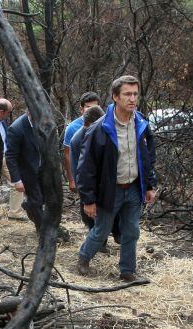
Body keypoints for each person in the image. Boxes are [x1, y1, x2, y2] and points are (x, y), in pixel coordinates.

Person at [77, 75, 157, 282]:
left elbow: (146, 158)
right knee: (102, 230)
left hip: (133, 188)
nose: (132, 99)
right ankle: (84, 257)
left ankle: (127, 271)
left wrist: (149, 185)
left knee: (131, 231)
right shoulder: (100, 129)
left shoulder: (141, 124)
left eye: (135, 94)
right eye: (127, 94)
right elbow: (86, 167)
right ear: (115, 97)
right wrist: (89, 199)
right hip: (110, 190)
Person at [69, 105, 119, 251]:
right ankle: (97, 245)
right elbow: (78, 166)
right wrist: (83, 190)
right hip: (88, 182)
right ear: (87, 124)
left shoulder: (106, 131)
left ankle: (114, 234)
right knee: (91, 215)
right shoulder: (78, 139)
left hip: (106, 181)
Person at [63, 92, 102, 191]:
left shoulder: (105, 123)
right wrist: (72, 180)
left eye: (94, 107)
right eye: (88, 107)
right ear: (81, 109)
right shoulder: (72, 128)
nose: (92, 110)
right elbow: (67, 154)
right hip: (83, 176)